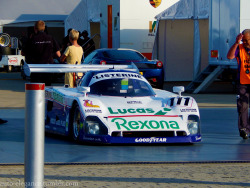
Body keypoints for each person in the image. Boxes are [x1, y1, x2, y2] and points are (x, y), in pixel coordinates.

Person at [22, 20, 61, 85]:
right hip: (48, 68)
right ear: (44, 28)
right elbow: (58, 54)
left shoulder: (32, 39)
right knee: (47, 88)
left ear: (35, 28)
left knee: (36, 89)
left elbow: (23, 53)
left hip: (36, 69)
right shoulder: (50, 38)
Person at [227, 29, 250, 139]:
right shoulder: (240, 48)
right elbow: (230, 56)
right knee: (243, 106)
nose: (244, 42)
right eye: (243, 40)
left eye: (247, 40)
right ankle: (243, 128)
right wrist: (236, 43)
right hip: (243, 82)